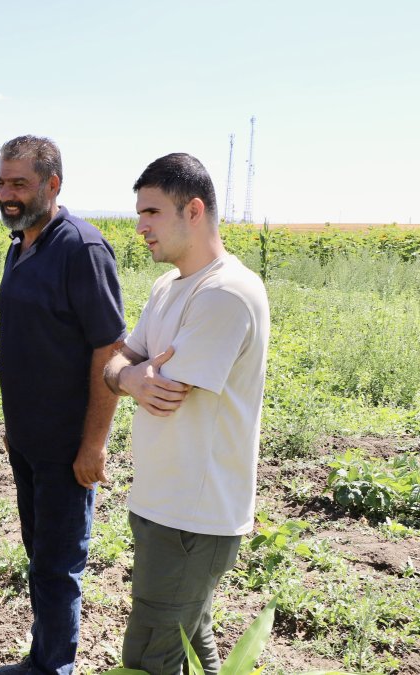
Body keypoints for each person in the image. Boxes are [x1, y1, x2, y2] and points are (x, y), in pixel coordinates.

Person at [102, 153, 269, 675]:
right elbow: (121, 364)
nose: (140, 226)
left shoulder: (225, 293)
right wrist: (130, 376)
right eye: (139, 213)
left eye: (151, 212)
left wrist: (135, 373)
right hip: (163, 502)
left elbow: (168, 387)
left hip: (192, 517)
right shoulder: (169, 286)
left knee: (151, 655)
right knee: (191, 636)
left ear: (193, 210)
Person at [0, 136, 127, 675]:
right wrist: (14, 427)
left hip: (68, 446)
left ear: (53, 185)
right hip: (28, 439)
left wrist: (93, 445)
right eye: (1, 181)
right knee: (39, 557)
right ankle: (41, 659)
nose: (6, 194)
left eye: (19, 183)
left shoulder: (81, 249)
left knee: (58, 565)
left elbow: (108, 349)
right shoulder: (21, 244)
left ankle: (54, 668)